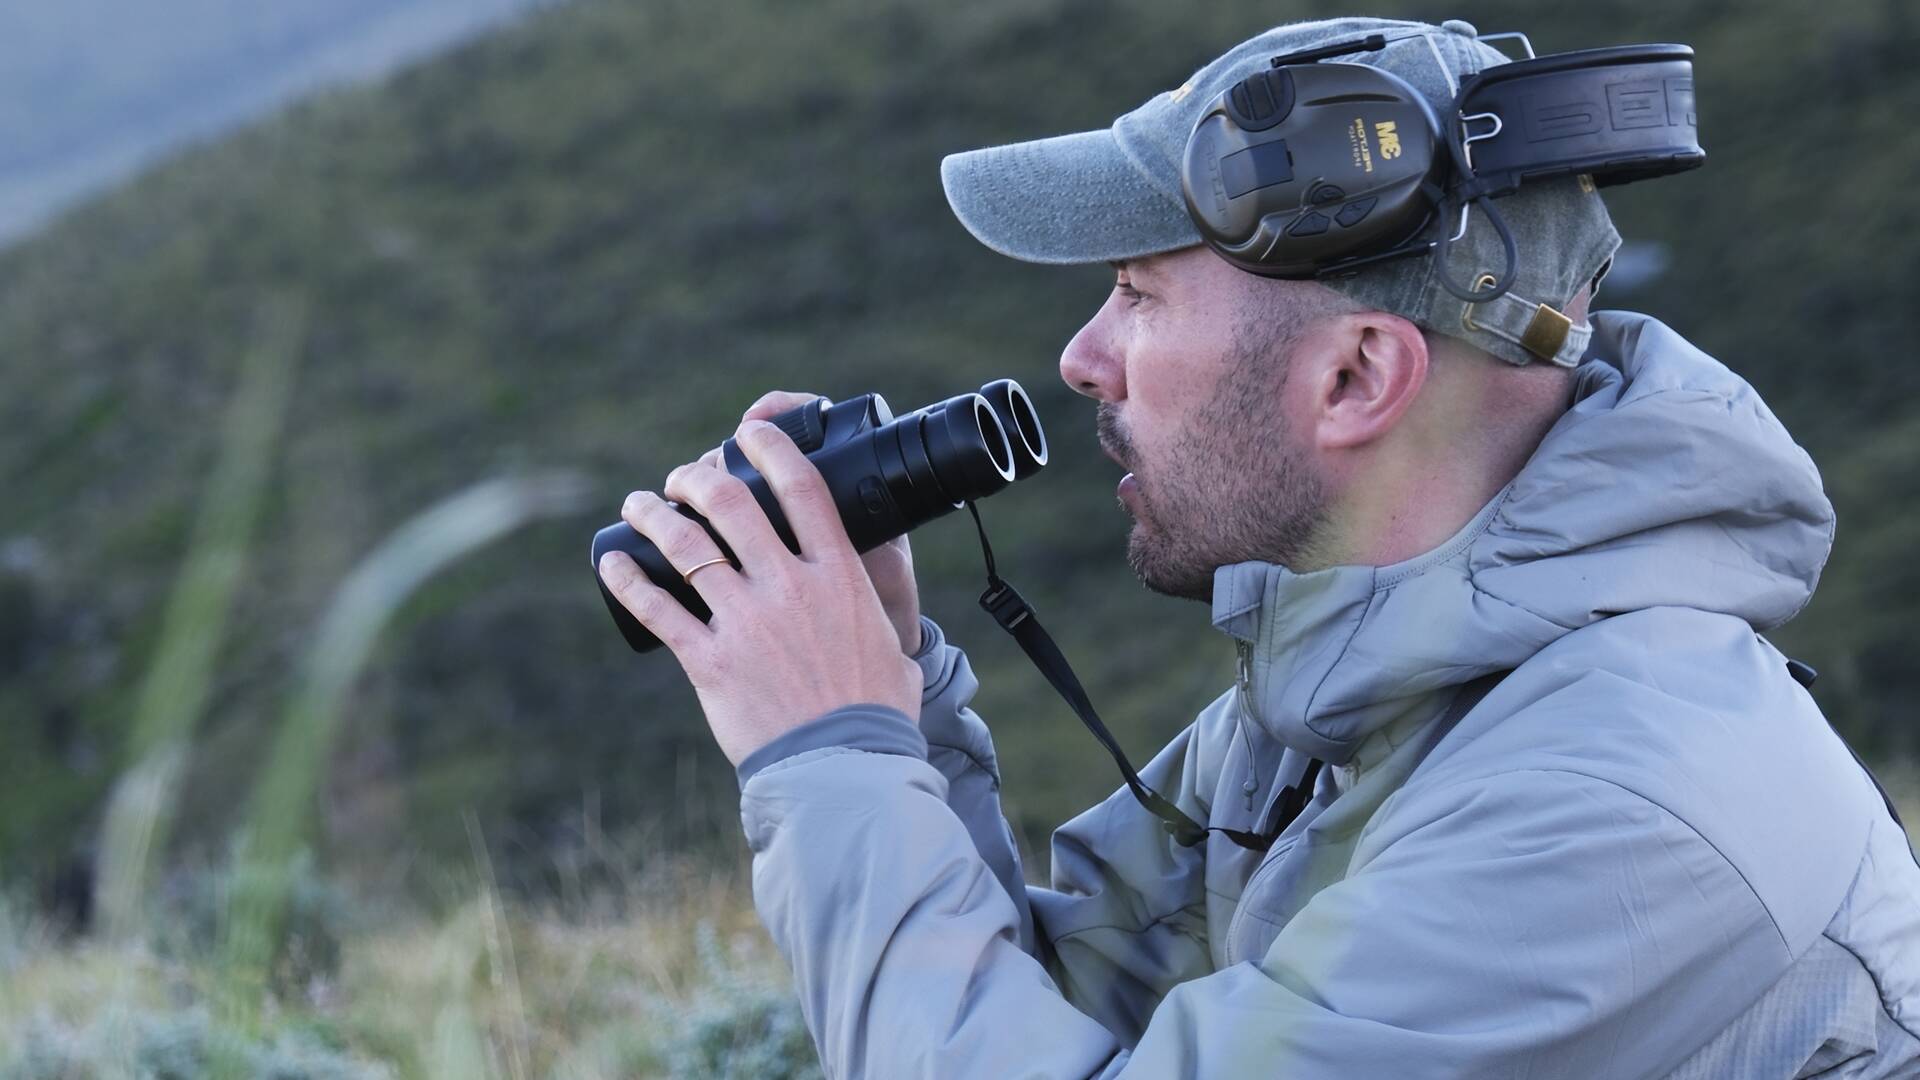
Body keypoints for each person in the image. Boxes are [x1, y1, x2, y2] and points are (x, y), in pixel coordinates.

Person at [595, 16, 1920, 1078]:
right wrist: (897, 697)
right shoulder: (1362, 684)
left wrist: (829, 754)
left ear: (1354, 378)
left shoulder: (1615, 814)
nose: (1082, 357)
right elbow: (1060, 1017)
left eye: (1138, 295)